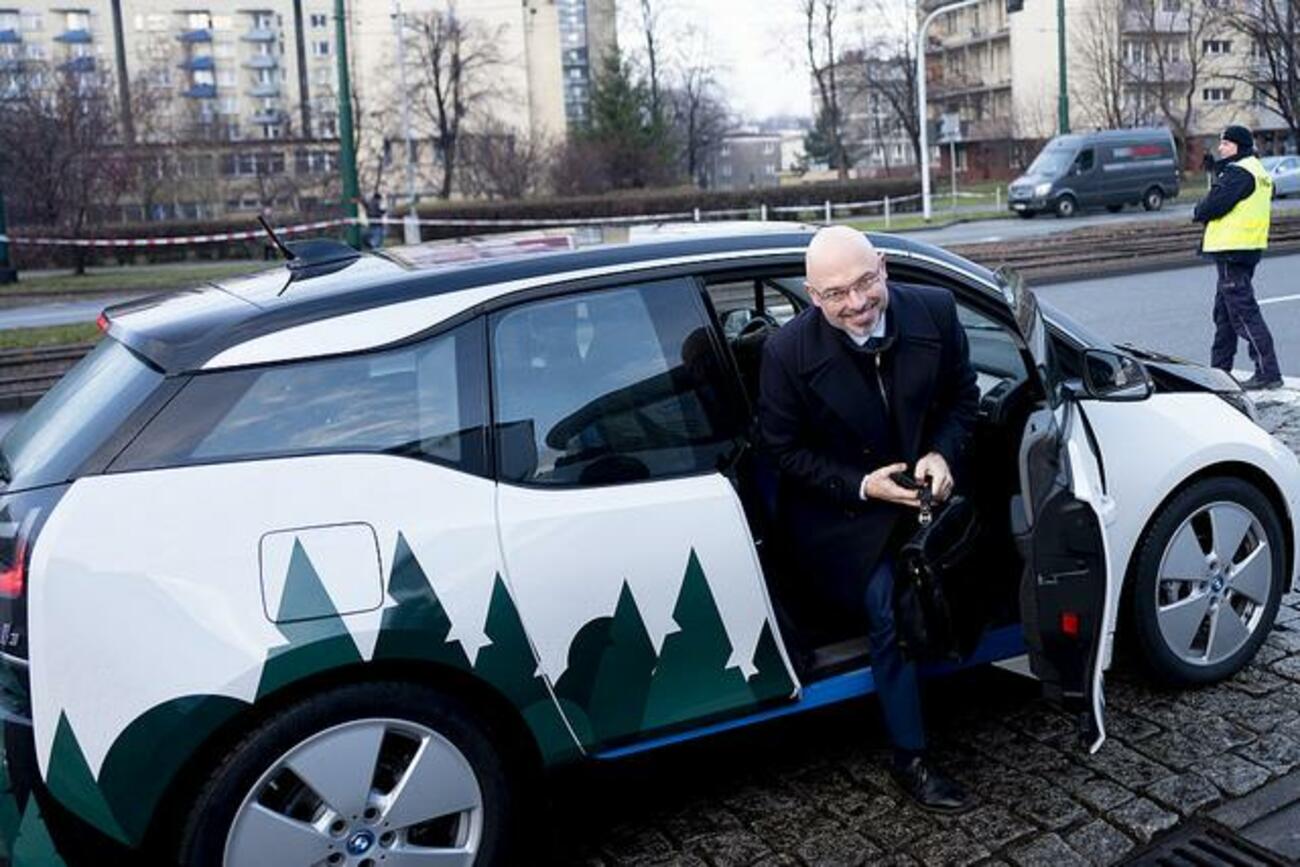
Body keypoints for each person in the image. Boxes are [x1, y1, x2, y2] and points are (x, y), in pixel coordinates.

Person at [758, 225, 979, 813]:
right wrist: (861, 485)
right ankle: (912, 756)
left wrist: (942, 453)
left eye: (864, 283)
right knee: (890, 606)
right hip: (844, 514)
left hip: (929, 495)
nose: (855, 304)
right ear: (812, 296)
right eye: (836, 295)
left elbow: (964, 399)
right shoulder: (785, 353)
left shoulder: (936, 309)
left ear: (882, 266)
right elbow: (782, 452)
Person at [1193, 125, 1281, 390]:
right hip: (1245, 249)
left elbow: (1212, 205)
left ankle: (1268, 373)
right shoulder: (1259, 172)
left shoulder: (1239, 172)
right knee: (1225, 313)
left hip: (1232, 251)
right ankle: (1220, 371)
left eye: (1226, 144)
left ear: (1239, 147)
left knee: (1243, 313)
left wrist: (1199, 209)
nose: (1221, 148)